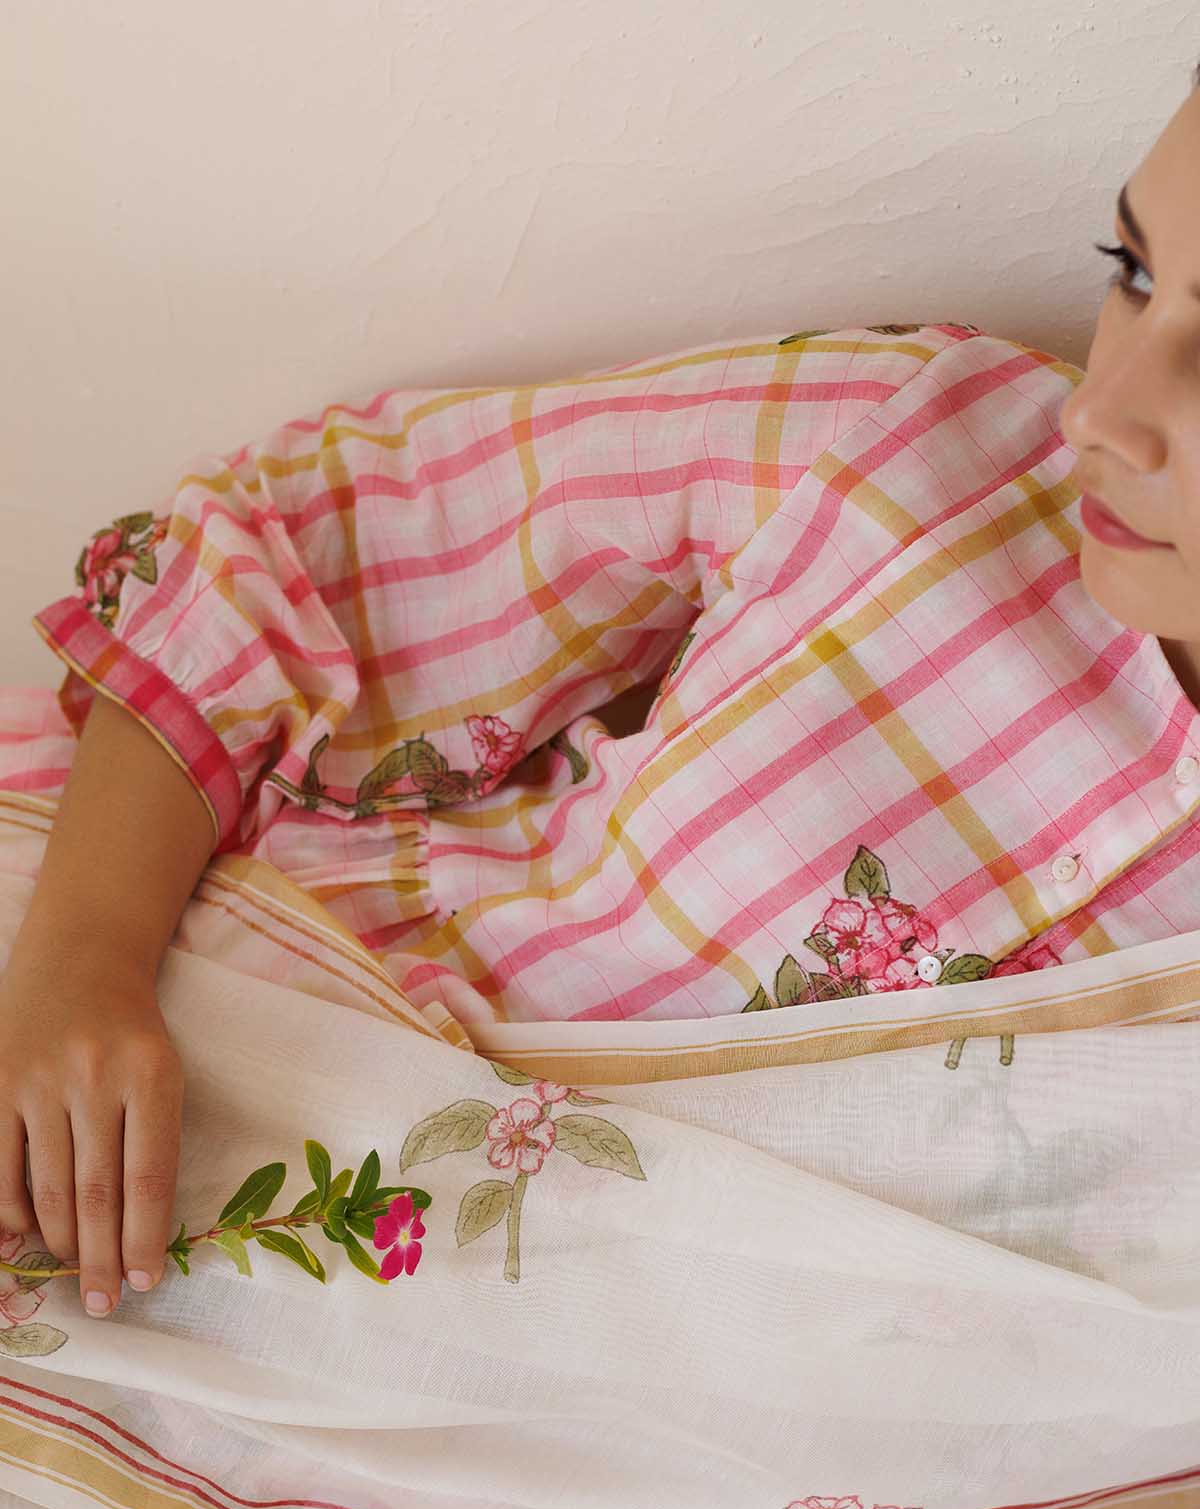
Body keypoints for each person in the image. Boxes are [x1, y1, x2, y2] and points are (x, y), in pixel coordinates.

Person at [2, 64, 1200, 1332]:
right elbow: (285, 557)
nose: (1101, 411)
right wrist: (81, 970)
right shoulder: (914, 451)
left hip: (628, 1448)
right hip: (200, 1066)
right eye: (1131, 274)